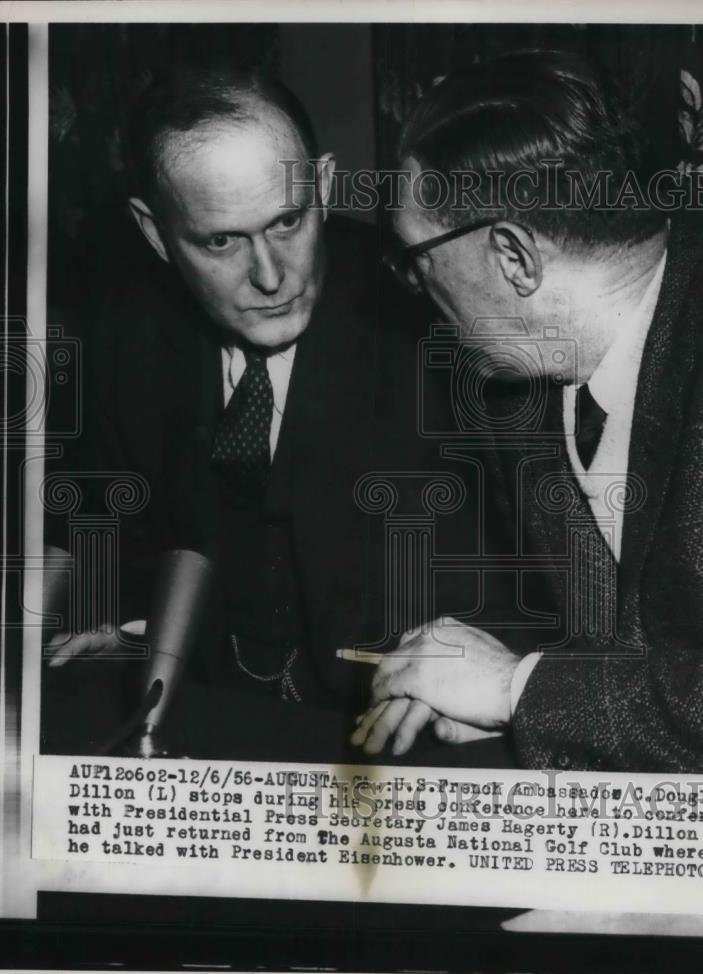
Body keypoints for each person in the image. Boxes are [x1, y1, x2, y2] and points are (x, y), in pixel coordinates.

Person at [352, 49, 703, 773]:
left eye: (419, 260)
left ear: (514, 257)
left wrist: (514, 689)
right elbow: (624, 649)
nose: (419, 291)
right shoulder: (528, 385)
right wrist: (496, 692)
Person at [45, 64, 457, 724]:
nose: (270, 276)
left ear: (322, 185)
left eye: (289, 221)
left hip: (389, 723)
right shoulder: (129, 325)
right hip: (208, 702)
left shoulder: (426, 313)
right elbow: (105, 506)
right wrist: (114, 616)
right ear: (155, 233)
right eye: (221, 240)